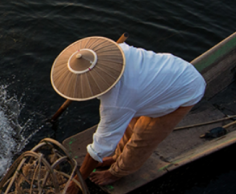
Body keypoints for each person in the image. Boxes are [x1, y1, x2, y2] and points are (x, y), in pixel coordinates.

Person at [51, 36, 205, 186]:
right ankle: (117, 156)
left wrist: (76, 183)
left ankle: (117, 172)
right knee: (129, 125)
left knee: (143, 137)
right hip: (165, 73)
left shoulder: (116, 104)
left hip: (184, 90)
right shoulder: (113, 52)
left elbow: (100, 147)